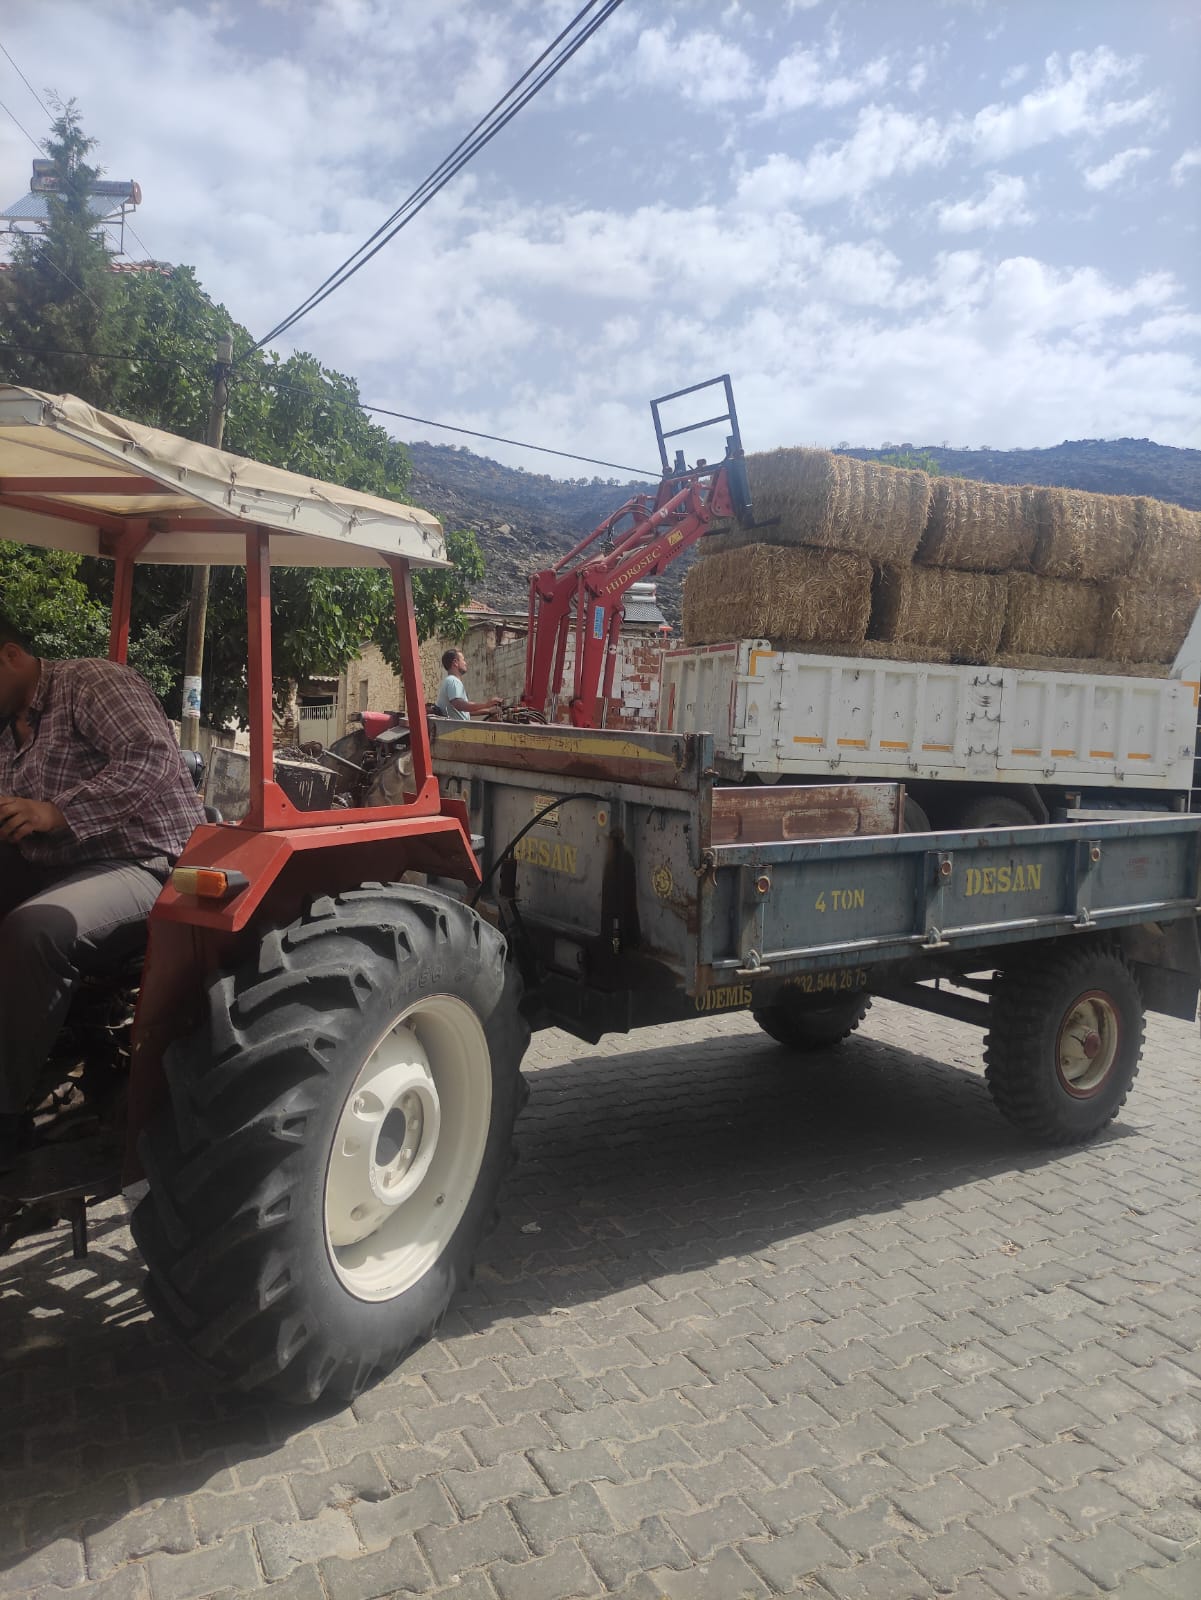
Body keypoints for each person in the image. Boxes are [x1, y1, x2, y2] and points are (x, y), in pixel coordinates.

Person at [0, 616, 206, 1168]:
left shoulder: (90, 682)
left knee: (36, 930)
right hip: (56, 862)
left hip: (148, 858)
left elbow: (152, 759)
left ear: (10, 656)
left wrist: (58, 812)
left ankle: (7, 1113)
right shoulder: (7, 725)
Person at [434, 647, 502, 720]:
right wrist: (486, 705)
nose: (465, 663)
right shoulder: (453, 681)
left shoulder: (449, 681)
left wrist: (488, 711)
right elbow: (459, 705)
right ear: (455, 663)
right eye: (463, 660)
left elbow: (464, 711)